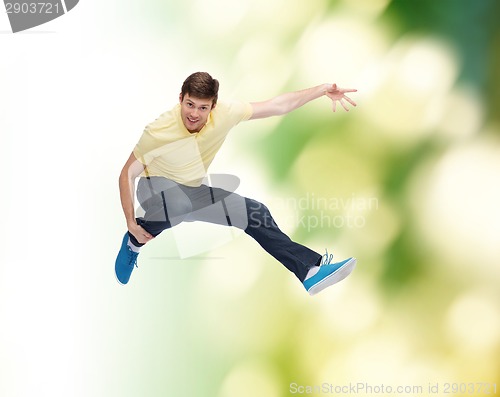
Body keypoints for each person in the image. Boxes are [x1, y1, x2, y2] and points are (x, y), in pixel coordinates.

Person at [115, 72, 357, 295]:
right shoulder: (159, 130)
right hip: (154, 188)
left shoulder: (226, 113)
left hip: (190, 191)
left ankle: (309, 271)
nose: (194, 114)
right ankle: (134, 241)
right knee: (178, 204)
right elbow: (127, 174)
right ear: (181, 98)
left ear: (213, 106)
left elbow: (277, 105)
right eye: (189, 104)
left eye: (203, 108)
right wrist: (131, 223)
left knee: (255, 212)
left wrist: (322, 89)